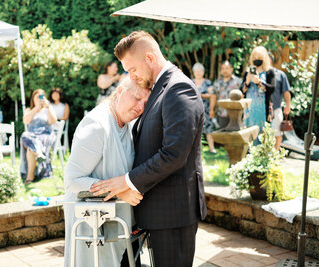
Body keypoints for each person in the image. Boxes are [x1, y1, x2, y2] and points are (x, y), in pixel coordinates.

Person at [90, 31, 207, 267]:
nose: (130, 76)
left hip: (173, 213)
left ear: (150, 59)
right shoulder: (159, 89)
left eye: (132, 69)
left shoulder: (178, 89)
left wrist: (127, 181)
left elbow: (174, 154)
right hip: (159, 212)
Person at [63, 76, 149, 267]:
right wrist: (118, 190)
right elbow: (73, 180)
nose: (140, 107)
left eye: (145, 103)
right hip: (93, 225)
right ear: (119, 92)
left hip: (121, 222)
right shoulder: (96, 125)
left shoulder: (126, 122)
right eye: (136, 98)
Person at [20, 89, 57, 184]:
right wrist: (36, 108)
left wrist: (47, 107)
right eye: (38, 97)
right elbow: (26, 121)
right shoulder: (29, 110)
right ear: (33, 99)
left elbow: (52, 121)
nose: (40, 99)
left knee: (30, 149)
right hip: (32, 136)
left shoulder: (48, 108)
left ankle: (29, 177)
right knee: (25, 135)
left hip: (45, 135)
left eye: (42, 96)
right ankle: (39, 153)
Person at [241, 46, 275, 134]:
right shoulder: (247, 72)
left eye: (259, 58)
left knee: (263, 134)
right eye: (255, 57)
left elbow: (272, 88)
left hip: (263, 108)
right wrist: (247, 82)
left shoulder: (269, 72)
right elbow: (242, 91)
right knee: (249, 133)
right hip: (250, 109)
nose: (257, 59)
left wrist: (259, 82)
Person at [268, 53, 291, 150]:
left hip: (276, 108)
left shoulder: (280, 75)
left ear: (271, 60)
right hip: (261, 109)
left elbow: (286, 91)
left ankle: (275, 156)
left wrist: (288, 105)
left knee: (277, 133)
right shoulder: (258, 75)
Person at [192, 62, 217, 153]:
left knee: (209, 129)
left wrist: (211, 109)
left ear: (203, 72)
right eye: (196, 71)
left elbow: (212, 95)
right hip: (192, 110)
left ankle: (212, 148)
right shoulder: (190, 82)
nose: (198, 73)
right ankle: (195, 149)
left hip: (206, 109)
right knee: (194, 129)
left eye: (200, 71)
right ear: (193, 72)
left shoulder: (207, 82)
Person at [213, 61, 242, 128]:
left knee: (236, 136)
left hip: (236, 114)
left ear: (231, 69)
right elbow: (214, 96)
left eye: (226, 68)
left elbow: (243, 96)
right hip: (222, 113)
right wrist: (212, 110)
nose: (224, 70)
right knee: (223, 135)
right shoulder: (217, 82)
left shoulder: (238, 81)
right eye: (222, 68)